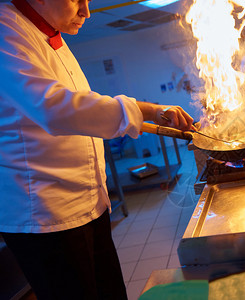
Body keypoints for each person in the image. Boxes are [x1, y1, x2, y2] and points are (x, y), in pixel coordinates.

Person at [0, 0, 194, 299]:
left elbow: (83, 100)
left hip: (88, 201)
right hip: (45, 213)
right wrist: (148, 110)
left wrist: (145, 114)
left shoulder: (53, 36)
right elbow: (55, 108)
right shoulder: (5, 30)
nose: (86, 11)